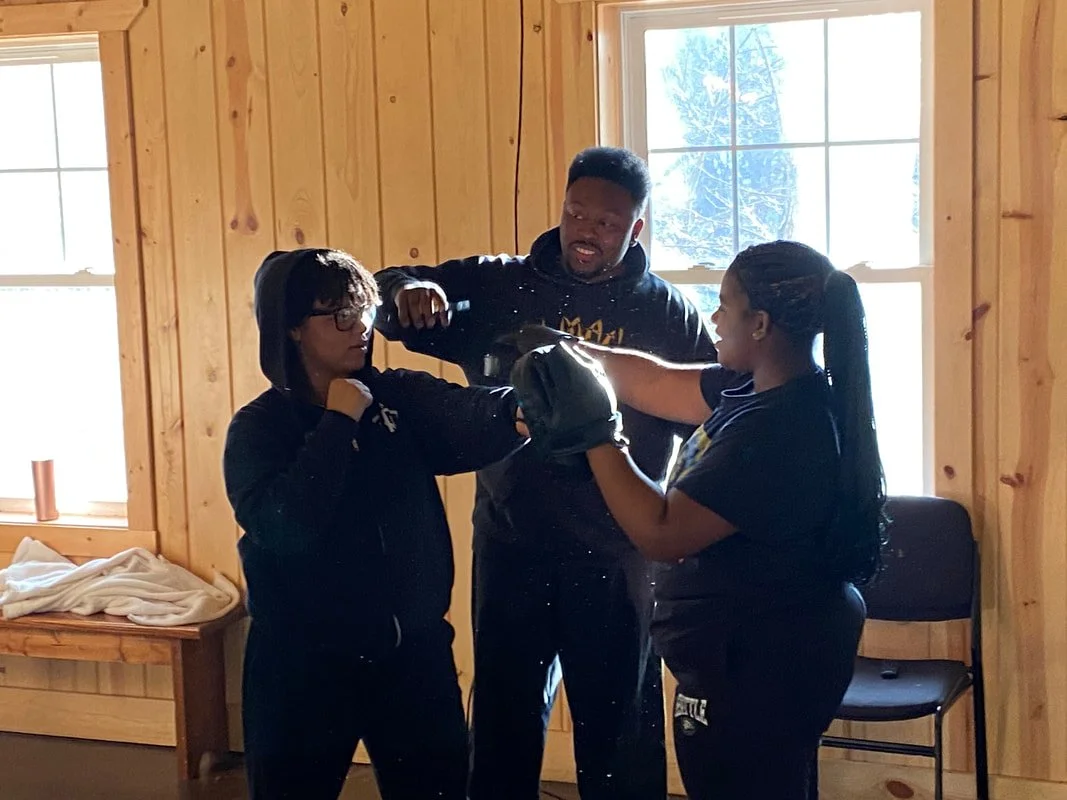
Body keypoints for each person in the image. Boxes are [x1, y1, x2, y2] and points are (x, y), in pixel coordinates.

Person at [373, 147, 716, 799]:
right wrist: (405, 290)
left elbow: (707, 422)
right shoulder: (497, 286)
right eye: (575, 213)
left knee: (619, 735)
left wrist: (682, 528)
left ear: (636, 228)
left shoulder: (666, 314)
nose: (586, 230)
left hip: (616, 556)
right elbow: (391, 297)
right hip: (512, 544)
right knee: (502, 722)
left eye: (606, 223)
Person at [510, 240, 885, 800]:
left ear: (759, 323)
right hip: (748, 656)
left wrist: (595, 434)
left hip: (757, 667)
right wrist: (572, 354)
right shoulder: (756, 389)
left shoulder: (780, 430)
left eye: (725, 304)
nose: (714, 316)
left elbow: (662, 532)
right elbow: (654, 381)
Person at [222, 248, 527, 800]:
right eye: (338, 314)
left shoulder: (397, 396)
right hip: (301, 671)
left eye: (362, 308)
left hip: (411, 659)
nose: (360, 327)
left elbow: (470, 417)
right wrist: (339, 420)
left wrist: (522, 410)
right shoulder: (258, 430)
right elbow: (289, 526)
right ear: (292, 328)